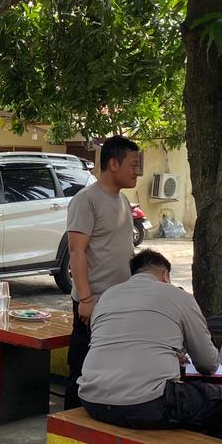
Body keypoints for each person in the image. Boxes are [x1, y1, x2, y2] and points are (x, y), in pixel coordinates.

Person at [78, 250, 222, 439]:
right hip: (145, 404)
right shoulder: (179, 296)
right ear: (164, 275)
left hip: (91, 400)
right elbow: (208, 364)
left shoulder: (107, 296)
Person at [65, 135, 140, 409]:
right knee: (82, 368)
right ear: (113, 164)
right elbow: (77, 252)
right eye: (133, 165)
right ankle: (70, 422)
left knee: (112, 370)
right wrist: (85, 300)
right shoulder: (86, 200)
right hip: (93, 304)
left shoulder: (123, 202)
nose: (137, 172)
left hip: (120, 302)